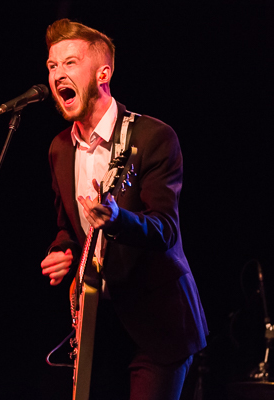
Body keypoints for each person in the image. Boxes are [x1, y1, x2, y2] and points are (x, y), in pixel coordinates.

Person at [40, 19, 208, 400]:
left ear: (103, 73)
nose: (57, 74)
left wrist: (118, 219)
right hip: (99, 321)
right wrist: (62, 250)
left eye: (70, 63)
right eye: (52, 66)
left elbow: (165, 229)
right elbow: (68, 226)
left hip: (159, 322)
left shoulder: (153, 137)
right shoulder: (59, 148)